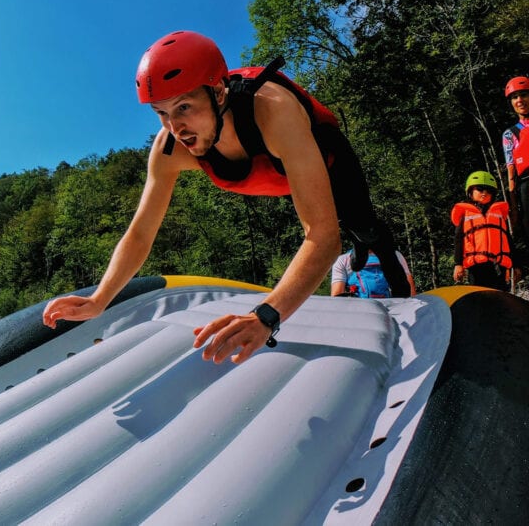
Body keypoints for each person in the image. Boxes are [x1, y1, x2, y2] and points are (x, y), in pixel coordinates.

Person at [42, 30, 411, 365]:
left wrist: (266, 316)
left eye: (185, 107)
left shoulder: (274, 112)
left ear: (219, 92)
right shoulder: (170, 147)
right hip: (270, 172)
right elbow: (140, 233)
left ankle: (394, 275)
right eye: (162, 114)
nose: (176, 128)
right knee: (352, 231)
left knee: (359, 225)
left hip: (326, 159)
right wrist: (100, 299)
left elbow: (323, 237)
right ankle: (362, 245)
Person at [452, 171, 514, 291]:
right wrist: (458, 264)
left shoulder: (499, 215)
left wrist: (516, 265)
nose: (484, 193)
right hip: (477, 267)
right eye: (480, 189)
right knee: (480, 299)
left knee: (501, 298)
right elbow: (458, 239)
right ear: (470, 192)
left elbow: (508, 240)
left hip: (498, 266)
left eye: (488, 190)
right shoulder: (465, 215)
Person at [501, 76, 529, 242]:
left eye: (524, 95)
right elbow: (511, 171)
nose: (520, 100)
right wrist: (514, 208)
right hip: (526, 183)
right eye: (514, 97)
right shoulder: (510, 134)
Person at [330, 248, 415, 298]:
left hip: (359, 313)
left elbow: (337, 297)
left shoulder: (343, 260)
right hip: (391, 310)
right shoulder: (394, 255)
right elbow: (410, 294)